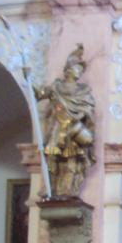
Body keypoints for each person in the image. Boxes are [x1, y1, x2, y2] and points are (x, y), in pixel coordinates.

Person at [34, 44, 95, 198]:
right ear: (68, 70)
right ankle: (49, 187)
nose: (79, 72)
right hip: (57, 127)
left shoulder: (83, 91)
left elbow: (88, 108)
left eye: (80, 70)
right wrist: (30, 80)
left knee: (72, 159)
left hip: (74, 128)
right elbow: (40, 93)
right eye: (76, 68)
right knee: (52, 157)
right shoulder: (56, 87)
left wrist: (80, 115)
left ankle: (68, 188)